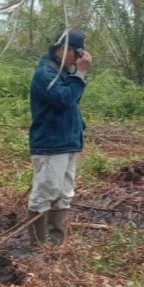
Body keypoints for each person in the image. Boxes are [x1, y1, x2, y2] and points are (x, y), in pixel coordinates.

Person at [27, 29, 93, 246]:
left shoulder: (63, 74)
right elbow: (64, 99)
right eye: (76, 52)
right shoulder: (45, 73)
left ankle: (56, 245)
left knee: (64, 194)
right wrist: (80, 74)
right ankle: (37, 247)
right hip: (51, 144)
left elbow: (73, 99)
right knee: (45, 194)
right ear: (63, 49)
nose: (77, 58)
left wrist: (78, 75)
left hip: (68, 142)